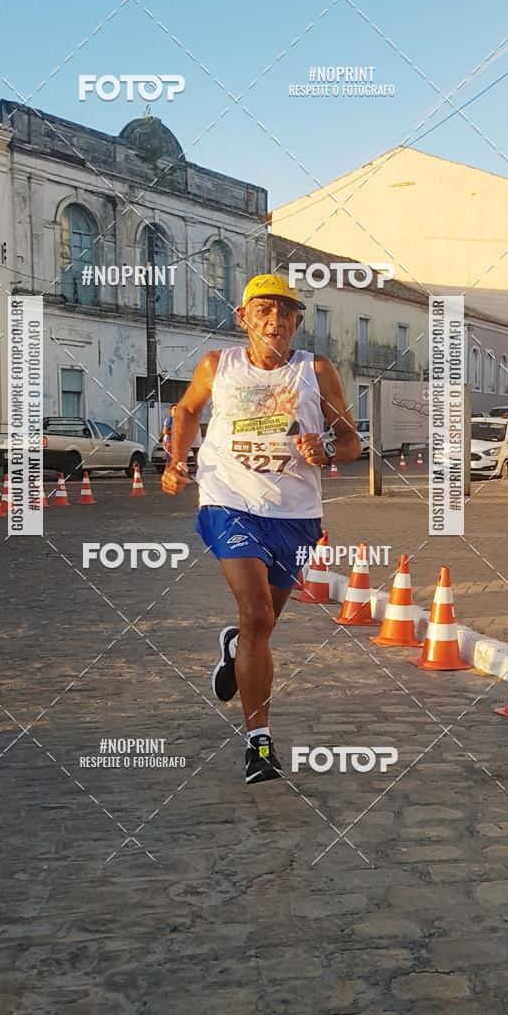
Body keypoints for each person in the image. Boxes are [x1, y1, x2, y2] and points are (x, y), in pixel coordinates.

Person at [161, 274, 361, 784]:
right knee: (254, 614)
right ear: (244, 318)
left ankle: (235, 646)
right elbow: (186, 409)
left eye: (286, 314)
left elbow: (351, 439)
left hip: (294, 515)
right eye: (264, 311)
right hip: (228, 502)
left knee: (263, 624)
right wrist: (177, 460)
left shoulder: (316, 371)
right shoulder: (218, 365)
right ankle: (259, 744)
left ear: (297, 322)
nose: (275, 322)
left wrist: (330, 450)